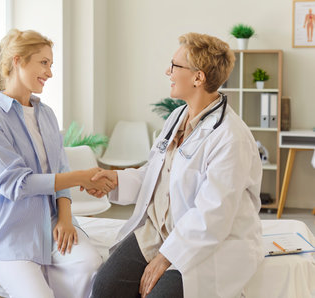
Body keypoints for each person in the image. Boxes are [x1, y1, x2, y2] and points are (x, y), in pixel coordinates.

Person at [90, 33, 264, 298]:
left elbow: (213, 215)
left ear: (198, 77)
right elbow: (156, 174)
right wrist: (116, 180)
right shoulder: (177, 116)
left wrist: (166, 257)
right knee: (105, 287)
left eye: (174, 66)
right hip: (159, 231)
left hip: (206, 244)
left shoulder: (230, 136)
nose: (167, 71)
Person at [0, 29, 111, 298]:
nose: (50, 72)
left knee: (91, 266)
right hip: (8, 234)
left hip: (51, 222)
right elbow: (18, 185)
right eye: (43, 63)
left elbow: (60, 171)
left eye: (51, 64)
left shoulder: (45, 114)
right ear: (18, 61)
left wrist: (65, 218)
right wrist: (81, 177)